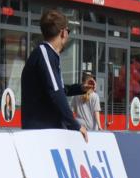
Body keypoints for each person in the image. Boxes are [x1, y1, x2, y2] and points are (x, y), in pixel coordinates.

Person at [20, 9, 90, 141]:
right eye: (68, 31)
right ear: (63, 33)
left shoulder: (49, 55)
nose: (67, 35)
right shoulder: (44, 53)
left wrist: (81, 88)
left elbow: (59, 90)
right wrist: (74, 124)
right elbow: (56, 93)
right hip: (41, 131)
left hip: (46, 130)